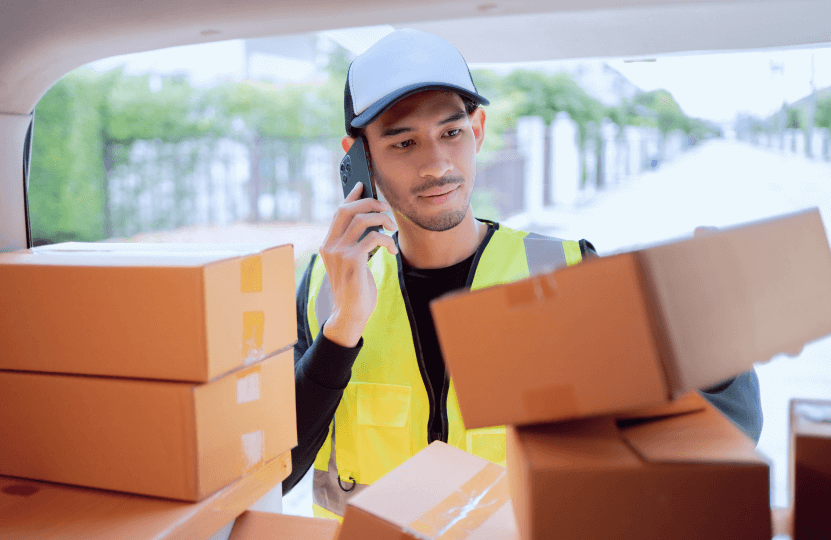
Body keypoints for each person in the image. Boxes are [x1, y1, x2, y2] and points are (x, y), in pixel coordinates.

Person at [282, 28, 762, 519]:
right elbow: (269, 475)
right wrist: (341, 333)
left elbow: (720, 435)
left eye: (452, 132)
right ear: (358, 156)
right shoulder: (323, 288)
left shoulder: (562, 273)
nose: (437, 165)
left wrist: (719, 327)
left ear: (479, 128)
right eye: (404, 143)